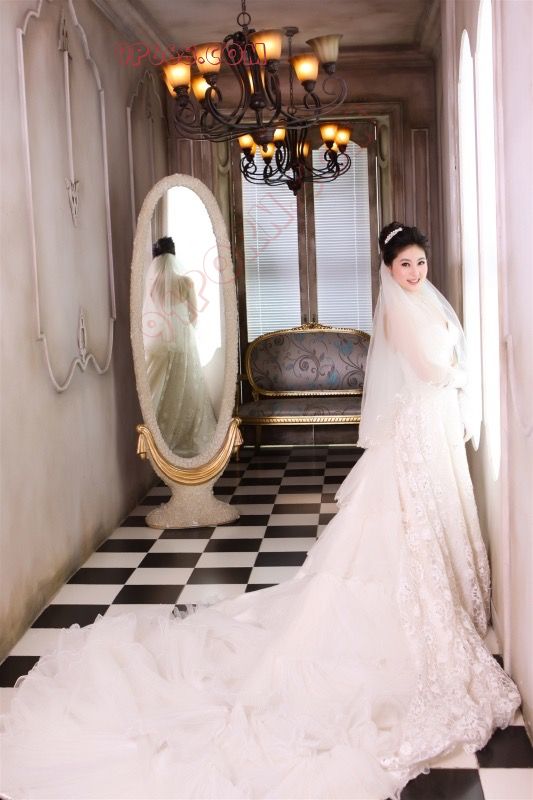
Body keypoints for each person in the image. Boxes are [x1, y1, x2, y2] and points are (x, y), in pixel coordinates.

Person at [0, 223, 520, 800]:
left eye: (420, 263)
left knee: (419, 526)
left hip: (426, 431)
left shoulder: (424, 301)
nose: (416, 273)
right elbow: (429, 370)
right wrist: (461, 373)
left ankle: (439, 595)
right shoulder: (399, 312)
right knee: (400, 530)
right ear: (389, 269)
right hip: (417, 431)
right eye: (406, 266)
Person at [143, 236, 216, 457]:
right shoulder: (186, 282)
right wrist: (184, 327)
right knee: (185, 384)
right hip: (182, 338)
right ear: (174, 255)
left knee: (163, 385)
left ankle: (160, 435)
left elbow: (153, 313)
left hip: (160, 340)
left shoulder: (153, 284)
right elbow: (194, 315)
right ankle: (185, 433)